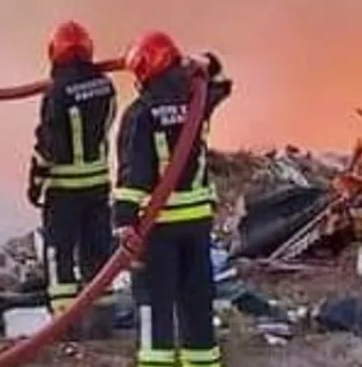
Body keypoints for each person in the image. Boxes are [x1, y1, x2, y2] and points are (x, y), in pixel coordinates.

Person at [113, 32, 232, 367]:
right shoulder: (198, 97)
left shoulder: (141, 113)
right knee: (196, 302)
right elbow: (223, 82)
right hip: (196, 225)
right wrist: (204, 62)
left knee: (155, 306)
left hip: (158, 228)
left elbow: (132, 175)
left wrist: (123, 221)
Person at [27, 20, 118, 334]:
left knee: (59, 253)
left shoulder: (58, 92)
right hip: (98, 185)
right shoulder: (107, 85)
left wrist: (35, 182)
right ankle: (102, 320)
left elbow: (49, 144)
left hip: (64, 189)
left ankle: (65, 325)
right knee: (97, 252)